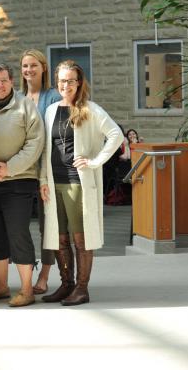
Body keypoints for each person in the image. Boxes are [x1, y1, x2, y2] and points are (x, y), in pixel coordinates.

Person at [40, 60, 122, 306]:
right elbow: (46, 148)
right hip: (55, 183)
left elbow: (116, 135)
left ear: (79, 83)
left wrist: (95, 161)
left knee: (80, 238)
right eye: (62, 80)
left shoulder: (90, 109)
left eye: (71, 80)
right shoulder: (51, 110)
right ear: (57, 82)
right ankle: (66, 285)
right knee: (59, 237)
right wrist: (43, 179)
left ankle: (82, 288)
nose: (66, 85)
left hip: (78, 183)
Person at [0, 63, 44, 308]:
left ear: (12, 81)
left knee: (18, 234)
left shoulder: (26, 107)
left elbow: (35, 143)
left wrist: (9, 168)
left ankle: (26, 289)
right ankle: (2, 285)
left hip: (18, 182)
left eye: (3, 80)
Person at [17, 48, 62, 295]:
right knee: (19, 224)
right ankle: (21, 270)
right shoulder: (17, 97)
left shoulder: (53, 97)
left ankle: (45, 273)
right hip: (22, 170)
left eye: (33, 65)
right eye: (25, 66)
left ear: (43, 68)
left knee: (48, 224)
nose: (29, 70)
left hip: (48, 169)